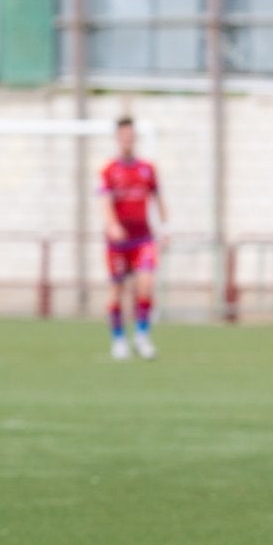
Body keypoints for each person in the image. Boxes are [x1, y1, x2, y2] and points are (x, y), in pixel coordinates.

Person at [100, 116, 166, 361]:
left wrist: (165, 228)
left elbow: (158, 200)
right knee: (117, 291)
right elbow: (104, 202)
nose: (128, 140)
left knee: (146, 284)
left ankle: (142, 336)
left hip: (143, 238)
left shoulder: (147, 169)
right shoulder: (109, 170)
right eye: (124, 136)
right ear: (118, 138)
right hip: (117, 242)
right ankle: (118, 340)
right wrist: (112, 225)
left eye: (131, 135)